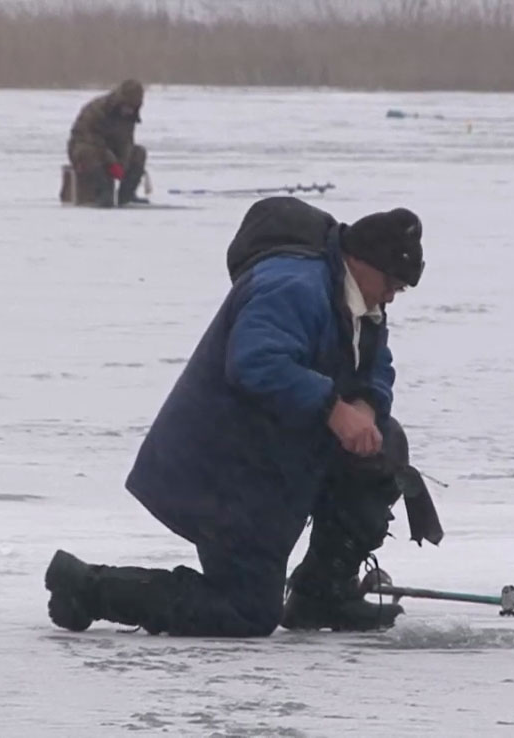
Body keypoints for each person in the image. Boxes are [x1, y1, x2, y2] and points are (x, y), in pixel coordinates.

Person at [44, 196, 443, 636]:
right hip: (223, 471)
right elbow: (255, 362)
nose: (391, 295)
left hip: (276, 458)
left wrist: (366, 403)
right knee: (247, 611)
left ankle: (321, 593)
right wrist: (333, 409)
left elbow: (376, 362)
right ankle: (88, 586)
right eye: (390, 282)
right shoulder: (294, 287)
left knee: (384, 442)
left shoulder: (358, 300)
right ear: (359, 260)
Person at [64, 79, 148, 207]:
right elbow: (89, 138)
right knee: (88, 152)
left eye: (133, 107)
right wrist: (111, 161)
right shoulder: (96, 110)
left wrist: (123, 165)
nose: (129, 111)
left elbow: (126, 143)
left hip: (111, 153)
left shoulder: (128, 118)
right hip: (85, 149)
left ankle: (126, 195)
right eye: (127, 106)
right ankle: (102, 192)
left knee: (139, 153)